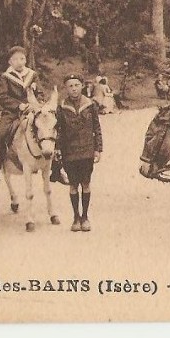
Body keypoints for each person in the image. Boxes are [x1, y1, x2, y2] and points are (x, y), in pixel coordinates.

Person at [0, 46, 44, 188]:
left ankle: (56, 168)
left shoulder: (32, 75)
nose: (20, 62)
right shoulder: (6, 77)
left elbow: (40, 93)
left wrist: (36, 103)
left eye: (22, 58)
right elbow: (2, 97)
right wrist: (19, 106)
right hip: (13, 112)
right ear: (10, 62)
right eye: (16, 59)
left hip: (32, 109)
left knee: (49, 127)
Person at [56, 74, 104, 232]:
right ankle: (76, 217)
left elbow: (96, 128)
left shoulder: (90, 105)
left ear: (82, 86)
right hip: (69, 151)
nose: (74, 88)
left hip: (86, 150)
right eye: (70, 86)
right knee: (73, 185)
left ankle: (85, 217)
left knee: (86, 184)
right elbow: (59, 130)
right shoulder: (62, 106)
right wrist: (57, 148)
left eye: (76, 85)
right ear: (66, 88)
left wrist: (98, 149)